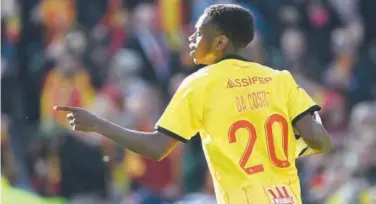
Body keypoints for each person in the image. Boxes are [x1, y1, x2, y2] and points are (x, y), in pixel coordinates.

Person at [54, 4, 332, 204]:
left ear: (221, 41)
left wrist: (98, 124)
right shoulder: (280, 79)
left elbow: (156, 148)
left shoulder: (200, 84)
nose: (191, 37)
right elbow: (321, 142)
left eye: (199, 32)